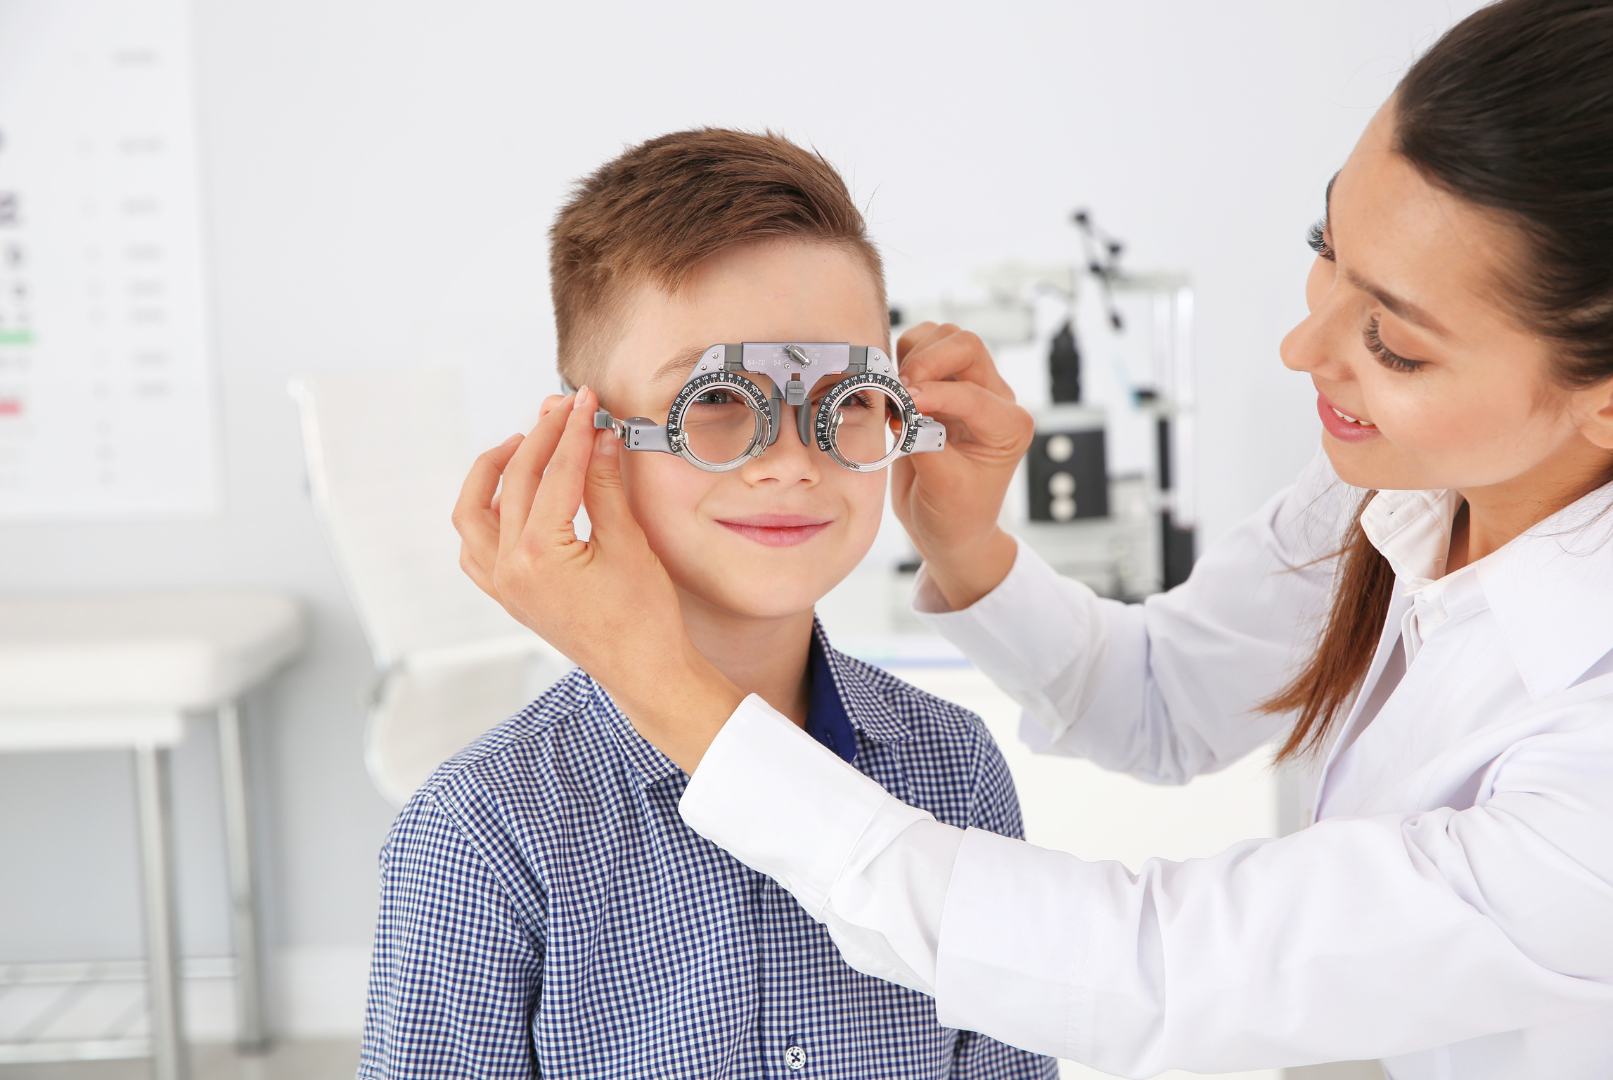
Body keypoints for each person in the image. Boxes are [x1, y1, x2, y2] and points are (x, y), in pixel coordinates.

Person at [453, 2, 1613, 1077]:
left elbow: (1139, 972)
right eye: (1324, 244)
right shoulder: (485, 829)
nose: (1299, 350)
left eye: (1395, 345)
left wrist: (648, 673)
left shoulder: (949, 769)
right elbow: (1164, 699)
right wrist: (965, 546)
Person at [360, 128, 1055, 1080]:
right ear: (583, 435)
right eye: (716, 399)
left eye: (845, 398)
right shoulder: (484, 830)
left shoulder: (955, 768)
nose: (791, 459)